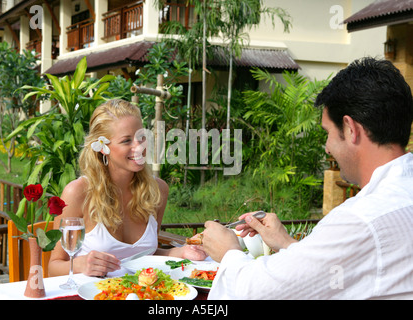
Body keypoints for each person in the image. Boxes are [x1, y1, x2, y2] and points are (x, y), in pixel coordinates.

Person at [202, 57, 413, 299]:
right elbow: (349, 270)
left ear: (350, 129)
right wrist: (286, 242)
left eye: (328, 133)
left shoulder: (362, 219)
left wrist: (228, 252)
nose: (327, 147)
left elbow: (259, 293)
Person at [48, 99, 206, 278]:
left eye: (141, 137)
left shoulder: (157, 190)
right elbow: (53, 267)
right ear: (103, 148)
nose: (139, 148)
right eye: (126, 141)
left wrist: (182, 252)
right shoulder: (77, 193)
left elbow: (145, 257)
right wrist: (80, 264)